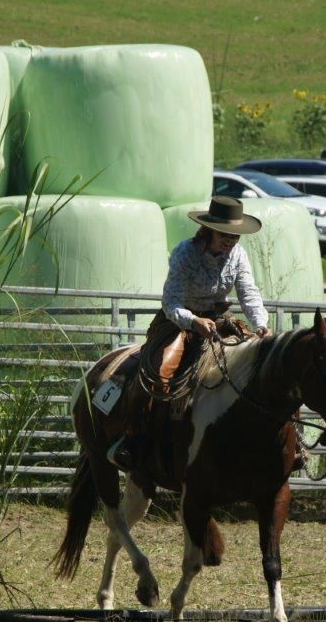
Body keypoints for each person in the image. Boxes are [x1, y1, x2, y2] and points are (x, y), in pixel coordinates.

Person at [107, 195, 272, 471]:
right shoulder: (185, 252)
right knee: (159, 371)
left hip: (220, 322)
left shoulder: (239, 257)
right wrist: (194, 321)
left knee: (253, 365)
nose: (230, 241)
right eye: (224, 234)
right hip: (179, 322)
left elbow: (249, 294)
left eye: (235, 236)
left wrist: (260, 324)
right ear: (209, 230)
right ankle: (133, 439)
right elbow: (170, 302)